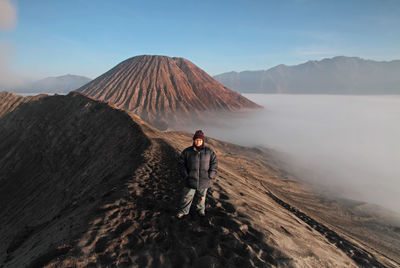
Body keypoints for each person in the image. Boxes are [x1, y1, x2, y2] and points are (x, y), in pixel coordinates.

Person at [177, 130, 218, 218]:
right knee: (187, 197)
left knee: (202, 198)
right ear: (194, 140)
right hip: (190, 180)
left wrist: (211, 175)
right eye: (196, 140)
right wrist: (185, 175)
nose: (198, 141)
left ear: (203, 141)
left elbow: (214, 164)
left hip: (204, 180)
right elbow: (181, 163)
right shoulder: (187, 151)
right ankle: (183, 211)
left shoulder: (209, 152)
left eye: (200, 140)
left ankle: (200, 210)